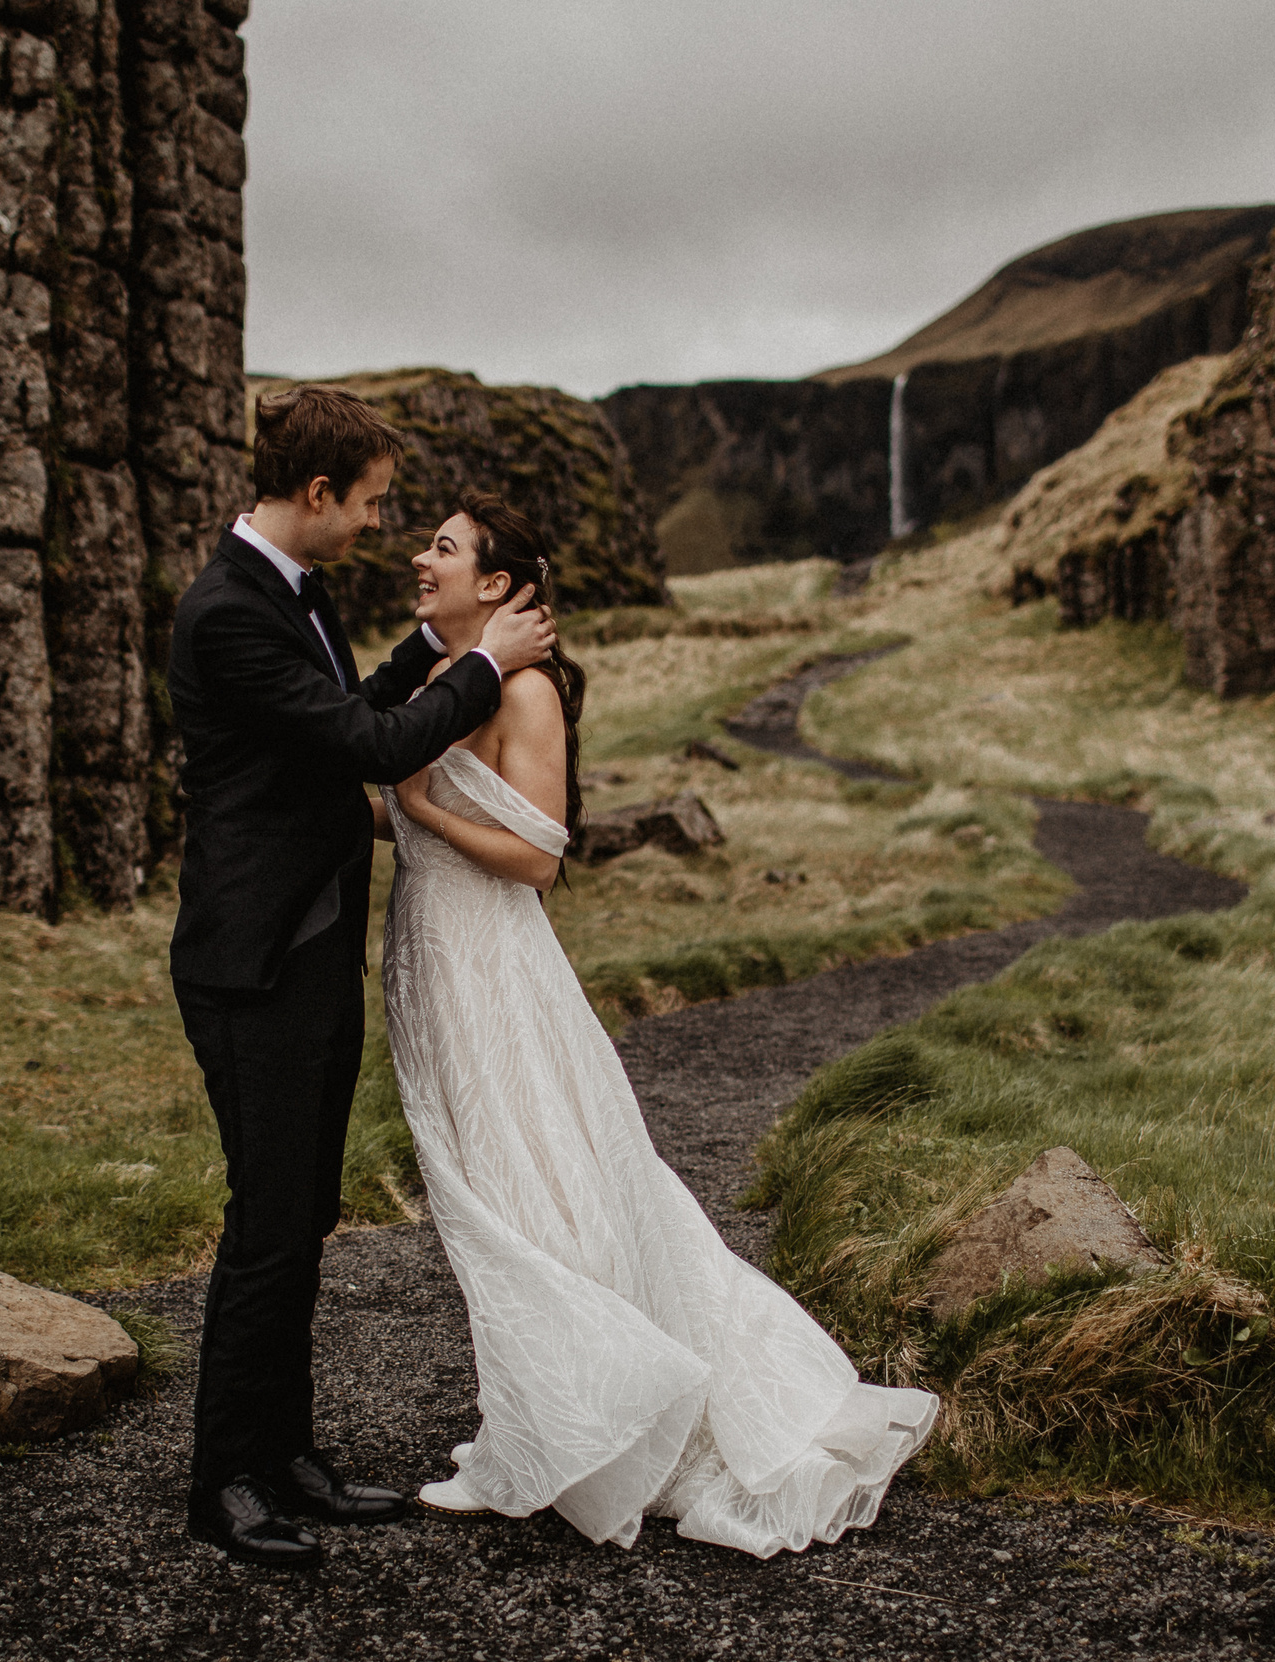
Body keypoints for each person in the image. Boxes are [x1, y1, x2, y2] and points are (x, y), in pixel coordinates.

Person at [375, 494, 938, 1558]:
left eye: (442, 549)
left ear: (496, 584)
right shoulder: (453, 677)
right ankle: (540, 1417)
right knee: (496, 1182)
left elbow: (540, 856)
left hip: (491, 963)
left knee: (522, 1189)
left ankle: (569, 1433)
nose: (420, 558)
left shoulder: (524, 690)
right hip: (439, 958)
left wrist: (415, 809)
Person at [167, 388, 555, 1570]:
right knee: (269, 1224)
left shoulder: (294, 594)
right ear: (319, 493)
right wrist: (482, 664)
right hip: (257, 961)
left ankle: (290, 1460)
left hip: (312, 949)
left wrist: (434, 655)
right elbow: (374, 749)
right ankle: (226, 1480)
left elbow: (351, 707)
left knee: (305, 1217)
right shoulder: (228, 612)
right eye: (375, 503)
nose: (382, 527)